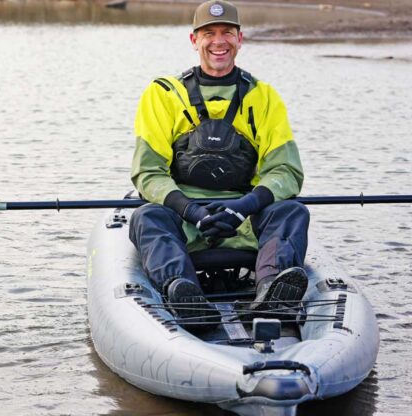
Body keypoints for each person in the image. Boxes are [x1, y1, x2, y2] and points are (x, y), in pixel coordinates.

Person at [129, 0, 310, 322]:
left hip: (244, 217)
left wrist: (243, 207)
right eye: (208, 33)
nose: (218, 41)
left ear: (240, 39)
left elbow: (286, 171)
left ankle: (271, 290)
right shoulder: (162, 95)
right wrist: (192, 211)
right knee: (148, 217)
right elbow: (148, 173)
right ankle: (184, 293)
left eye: (227, 32)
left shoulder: (264, 96)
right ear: (194, 40)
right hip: (183, 218)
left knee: (291, 212)